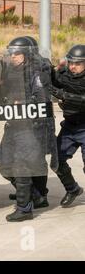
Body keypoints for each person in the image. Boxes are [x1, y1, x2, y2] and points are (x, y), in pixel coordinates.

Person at [0, 36, 56, 222]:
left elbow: (41, 99)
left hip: (30, 126)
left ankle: (24, 208)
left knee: (21, 165)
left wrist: (23, 102)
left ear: (27, 54)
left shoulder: (37, 72)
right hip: (13, 123)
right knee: (4, 163)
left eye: (17, 53)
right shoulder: (12, 71)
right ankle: (36, 195)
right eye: (11, 53)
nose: (13, 56)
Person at [51, 44, 85, 207]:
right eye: (71, 62)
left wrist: (65, 95)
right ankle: (72, 189)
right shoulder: (64, 74)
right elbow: (52, 80)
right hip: (70, 126)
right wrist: (47, 68)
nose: (73, 66)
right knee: (56, 162)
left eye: (78, 63)